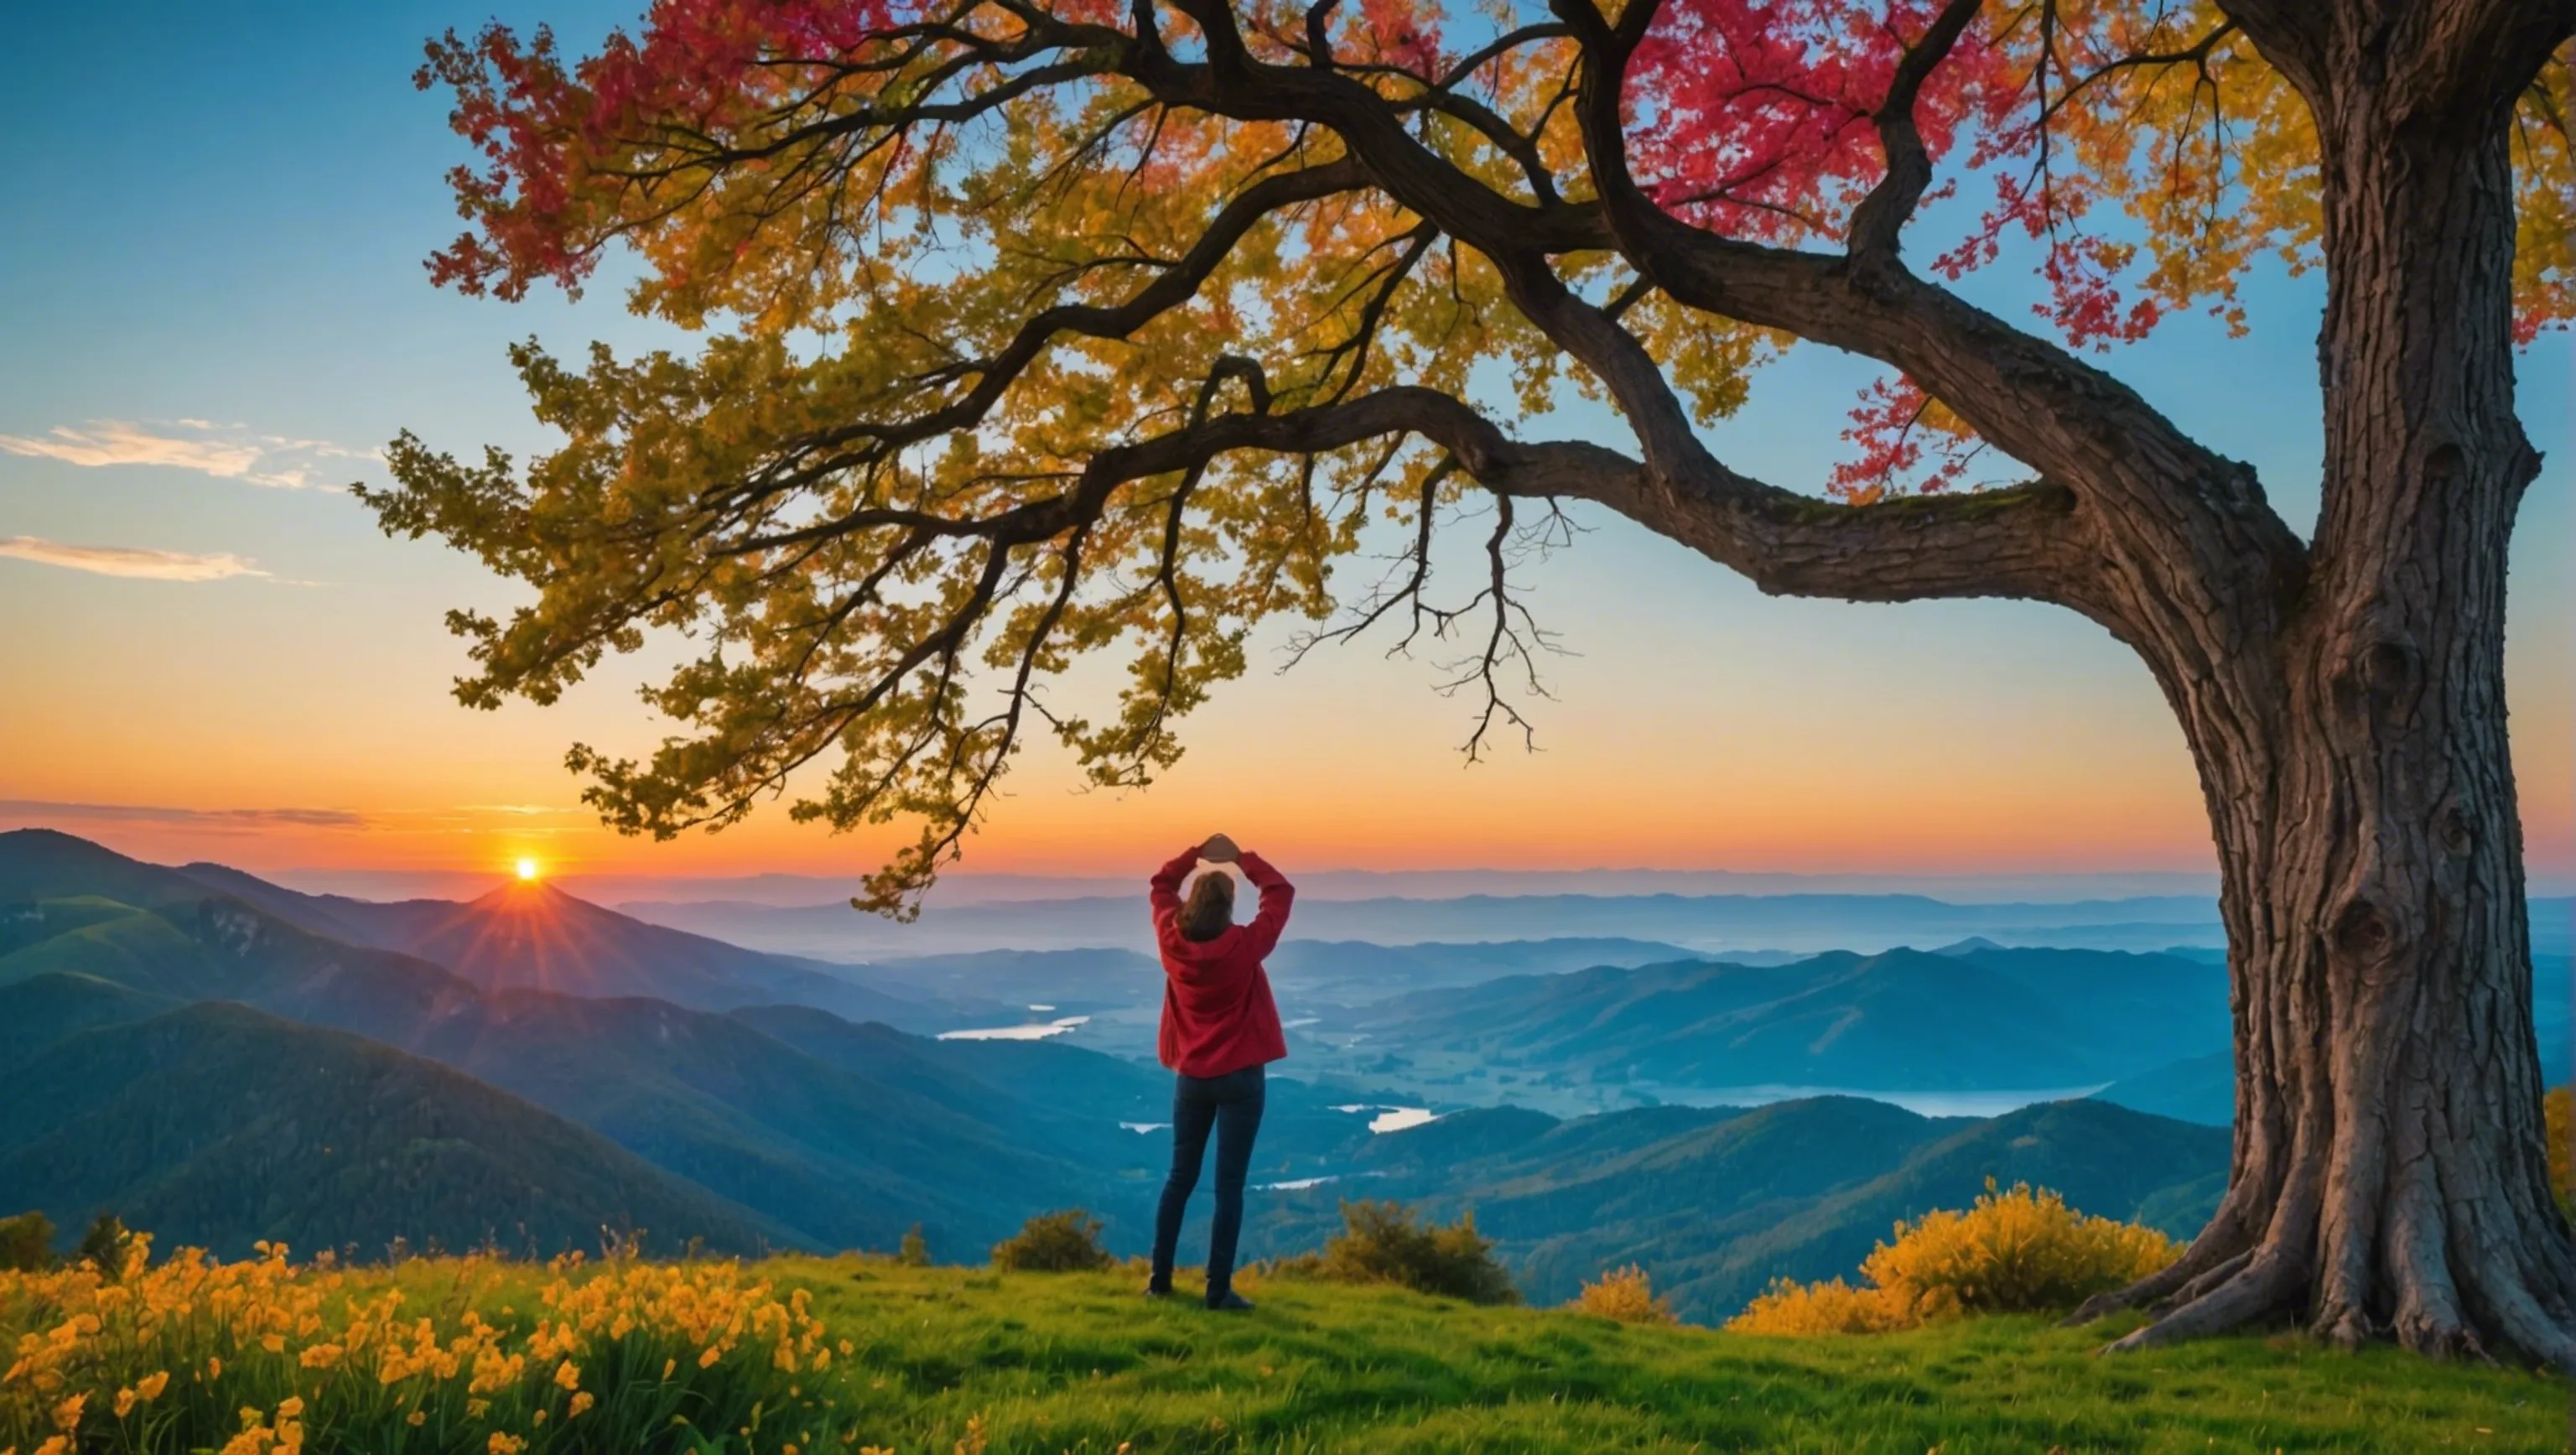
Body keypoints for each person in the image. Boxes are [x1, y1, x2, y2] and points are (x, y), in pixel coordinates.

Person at [1145, 831, 1294, 1311]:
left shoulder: (1172, 941)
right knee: (1228, 1187)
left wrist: (1192, 854)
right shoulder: (1244, 946)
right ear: (1230, 908)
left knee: (1178, 1179)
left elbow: (1160, 886)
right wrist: (1241, 858)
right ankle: (1217, 1290)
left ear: (1192, 903)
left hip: (1192, 1078)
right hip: (1242, 1079)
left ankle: (1159, 1282)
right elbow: (1280, 893)